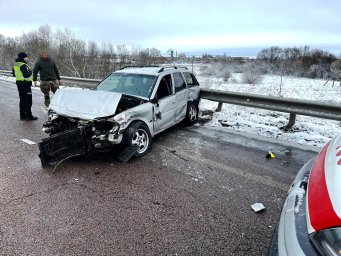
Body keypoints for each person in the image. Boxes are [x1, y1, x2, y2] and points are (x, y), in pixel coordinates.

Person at [12, 52, 38, 121]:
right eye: (26, 57)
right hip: (25, 84)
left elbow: (14, 74)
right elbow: (26, 75)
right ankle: (29, 116)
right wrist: (30, 71)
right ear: (23, 57)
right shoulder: (23, 65)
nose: (27, 58)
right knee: (28, 100)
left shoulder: (16, 64)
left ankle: (22, 115)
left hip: (19, 83)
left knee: (22, 100)